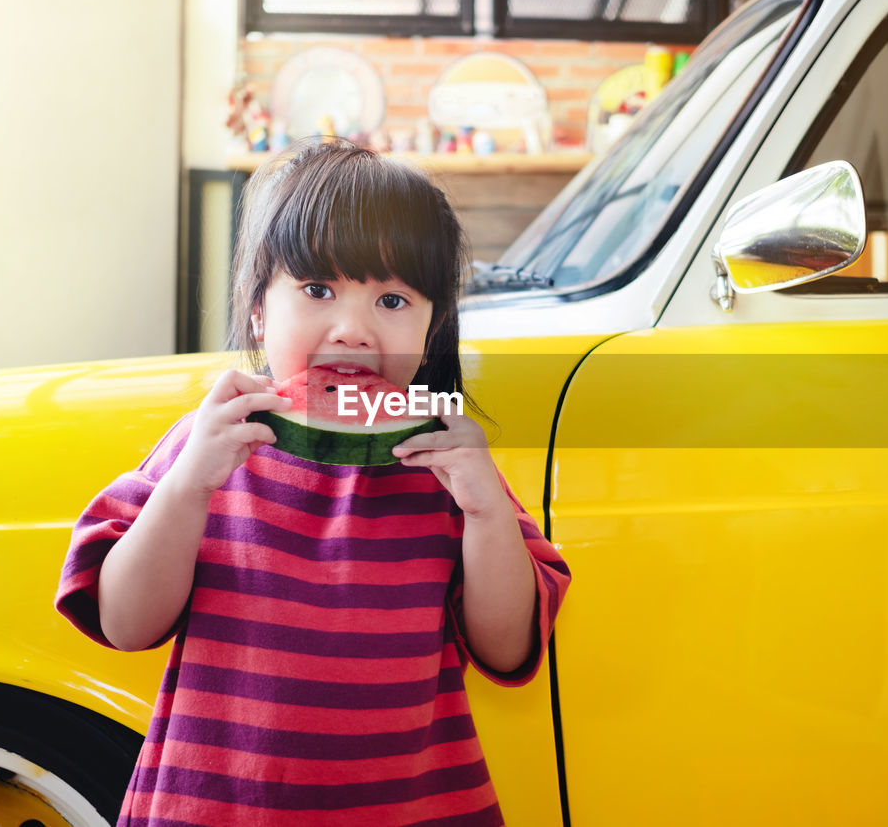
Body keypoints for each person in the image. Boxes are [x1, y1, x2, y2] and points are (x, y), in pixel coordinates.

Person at [55, 140, 571, 826]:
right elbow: (124, 622)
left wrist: (483, 511)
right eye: (318, 290)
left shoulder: (448, 465)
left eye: (392, 298)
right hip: (222, 809)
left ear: (432, 325)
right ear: (260, 309)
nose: (353, 329)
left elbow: (508, 648)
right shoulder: (207, 445)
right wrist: (186, 487)